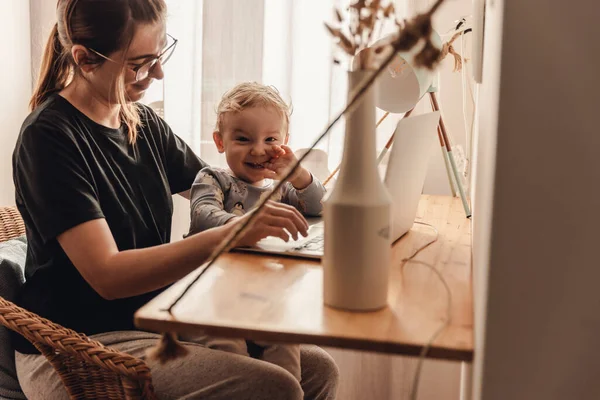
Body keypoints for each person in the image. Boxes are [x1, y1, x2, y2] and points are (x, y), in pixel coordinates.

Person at [11, 1, 338, 399]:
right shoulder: (49, 138)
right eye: (140, 63)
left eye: (161, 53)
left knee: (319, 369)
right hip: (78, 342)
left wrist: (281, 172)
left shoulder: (143, 124)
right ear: (84, 59)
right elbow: (109, 276)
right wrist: (232, 233)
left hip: (150, 317)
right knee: (274, 387)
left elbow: (226, 192)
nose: (159, 73)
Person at [187, 82, 327, 382]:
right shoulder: (212, 178)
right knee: (233, 358)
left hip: (264, 297)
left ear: (285, 142)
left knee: (286, 352)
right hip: (212, 298)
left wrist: (300, 174)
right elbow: (202, 215)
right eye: (242, 138)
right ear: (220, 141)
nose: (258, 149)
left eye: (270, 139)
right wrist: (248, 225)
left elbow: (319, 207)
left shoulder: (282, 186)